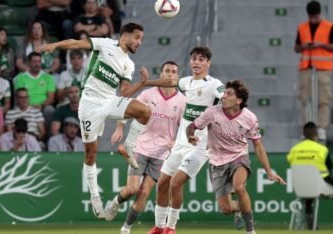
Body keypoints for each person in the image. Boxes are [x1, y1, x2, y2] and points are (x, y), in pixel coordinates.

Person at [36, 22, 177, 219]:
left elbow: (125, 92)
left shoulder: (129, 64)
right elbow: (75, 43)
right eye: (137, 37)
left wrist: (142, 83)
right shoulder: (105, 44)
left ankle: (129, 145)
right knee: (90, 153)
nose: (139, 42)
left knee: (145, 111)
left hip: (110, 100)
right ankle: (95, 197)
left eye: (141, 39)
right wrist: (54, 46)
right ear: (125, 35)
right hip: (90, 104)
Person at [186, 80, 286, 234]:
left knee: (239, 187)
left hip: (238, 157)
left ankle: (250, 231)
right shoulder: (212, 112)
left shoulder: (250, 118)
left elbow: (258, 146)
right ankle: (238, 208)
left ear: (239, 100)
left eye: (229, 93)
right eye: (224, 92)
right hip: (216, 161)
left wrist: (269, 171)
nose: (223, 96)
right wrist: (190, 136)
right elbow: (191, 126)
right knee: (226, 209)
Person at [147, 47, 225, 234]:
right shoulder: (185, 82)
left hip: (200, 145)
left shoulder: (214, 84)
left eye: (201, 59)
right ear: (190, 62)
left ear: (208, 63)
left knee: (175, 183)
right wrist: (145, 83)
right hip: (181, 142)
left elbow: (228, 99)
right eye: (194, 59)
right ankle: (159, 227)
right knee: (163, 182)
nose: (197, 62)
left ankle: (171, 227)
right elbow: (169, 82)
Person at [105, 61, 186, 234]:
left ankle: (126, 229)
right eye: (167, 71)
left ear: (177, 76)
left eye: (174, 72)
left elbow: (185, 129)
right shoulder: (148, 94)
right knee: (132, 189)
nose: (171, 74)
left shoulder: (182, 101)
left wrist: (177, 142)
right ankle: (116, 202)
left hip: (162, 153)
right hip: (140, 147)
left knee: (143, 192)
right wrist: (120, 127)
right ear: (161, 75)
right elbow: (126, 107)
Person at [294, 0, 333, 142]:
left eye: (315, 16)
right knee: (304, 98)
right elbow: (296, 48)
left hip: (323, 68)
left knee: (323, 98)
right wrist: (305, 46)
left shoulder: (329, 27)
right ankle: (307, 128)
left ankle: (322, 128)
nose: (313, 19)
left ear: (320, 14)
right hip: (306, 67)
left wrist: (321, 45)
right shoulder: (302, 27)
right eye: (310, 17)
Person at [287, 121, 333, 230]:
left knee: (309, 196)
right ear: (316, 134)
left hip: (300, 187)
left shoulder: (294, 150)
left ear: (303, 134)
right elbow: (330, 167)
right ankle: (312, 224)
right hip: (321, 187)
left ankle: (311, 224)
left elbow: (290, 161)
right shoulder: (322, 149)